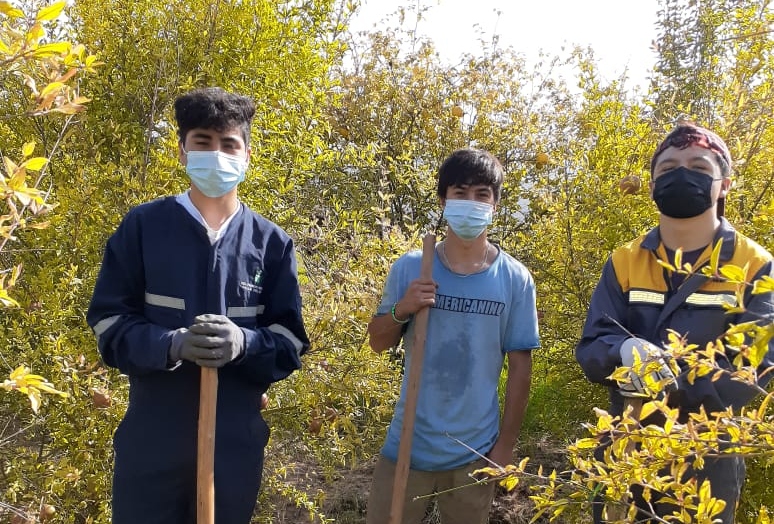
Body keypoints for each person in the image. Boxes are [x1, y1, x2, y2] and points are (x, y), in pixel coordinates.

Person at [86, 87, 309, 524]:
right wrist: (171, 344)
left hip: (233, 447)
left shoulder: (270, 244)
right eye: (203, 142)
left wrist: (245, 344)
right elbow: (108, 324)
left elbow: (291, 342)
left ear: (246, 155)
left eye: (229, 144)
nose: (216, 154)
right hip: (152, 441)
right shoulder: (144, 228)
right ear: (183, 150)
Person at [575, 123, 774, 523]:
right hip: (624, 444)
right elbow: (592, 347)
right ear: (651, 187)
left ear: (725, 184)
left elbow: (753, 371)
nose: (681, 174)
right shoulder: (625, 261)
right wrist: (622, 350)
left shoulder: (754, 266)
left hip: (706, 458)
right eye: (667, 170)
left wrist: (669, 384)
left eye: (697, 166)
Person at [365, 148, 541, 524]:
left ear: (495, 205)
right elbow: (378, 341)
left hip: (474, 451)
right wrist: (404, 308)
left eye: (482, 195)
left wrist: (505, 447)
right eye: (460, 193)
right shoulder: (413, 267)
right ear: (444, 200)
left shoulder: (514, 279)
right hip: (408, 445)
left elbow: (521, 370)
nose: (471, 202)